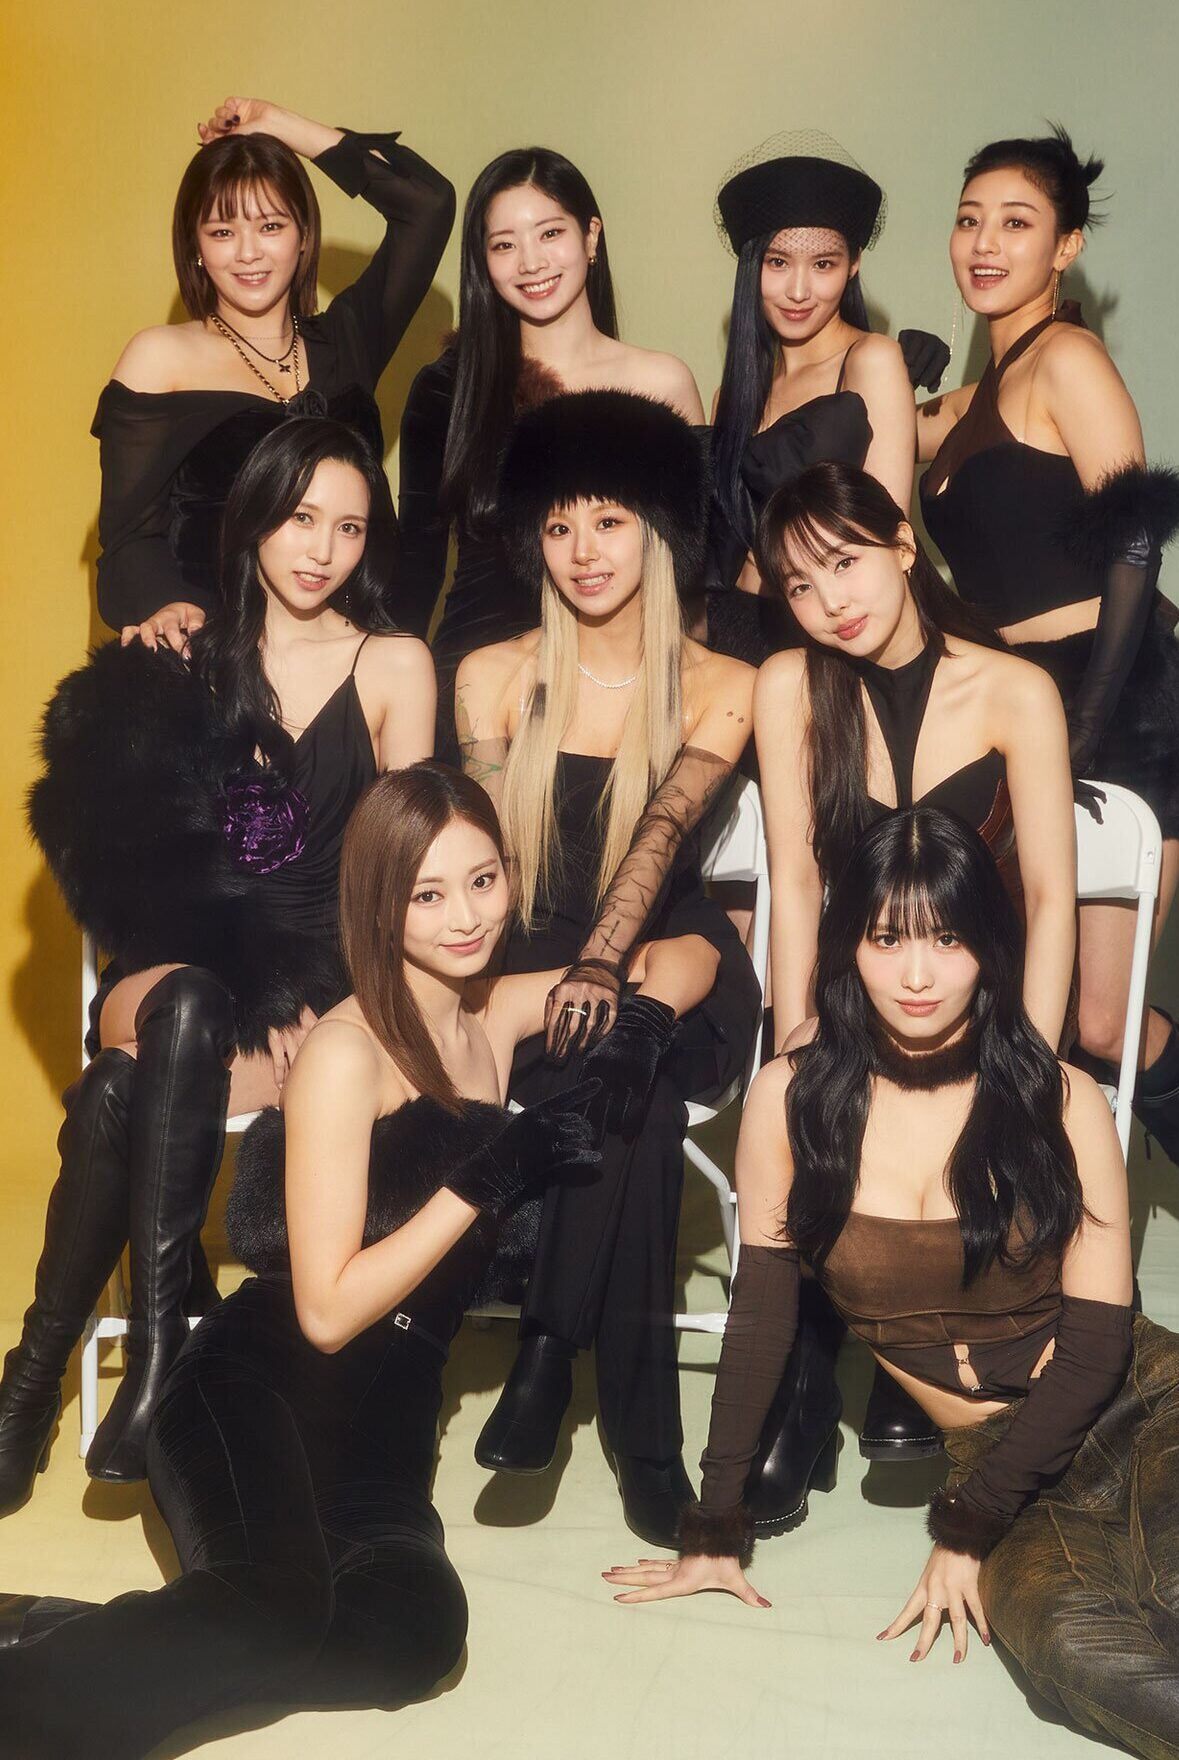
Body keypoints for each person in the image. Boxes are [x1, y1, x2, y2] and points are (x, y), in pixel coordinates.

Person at [604, 808, 1179, 1760]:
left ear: (988, 947)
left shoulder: (1059, 1098)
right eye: (886, 938)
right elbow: (762, 1320)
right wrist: (714, 1522)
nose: (915, 975)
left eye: (947, 940)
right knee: (1075, 1653)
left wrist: (967, 1526)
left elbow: (1100, 1346)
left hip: (1144, 1404)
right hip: (991, 1459)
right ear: (848, 947)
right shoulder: (792, 1099)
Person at [0, 764, 603, 1760]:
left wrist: (629, 981)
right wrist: (485, 1179)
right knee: (271, 1607)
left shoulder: (490, 1014)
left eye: (483, 880)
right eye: (427, 894)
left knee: (418, 1634)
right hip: (258, 1385)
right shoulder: (345, 1052)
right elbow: (324, 1312)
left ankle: (73, 1630)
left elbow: (652, 966)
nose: (466, 917)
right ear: (378, 900)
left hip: (384, 1427)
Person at [3, 418, 434, 1498]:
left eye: (349, 527)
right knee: (189, 1001)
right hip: (175, 966)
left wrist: (332, 1007)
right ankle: (159, 1359)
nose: (321, 549)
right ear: (252, 520)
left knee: (120, 1090)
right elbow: (118, 857)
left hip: (321, 985)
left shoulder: (393, 664)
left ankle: (29, 1380)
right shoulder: (184, 654)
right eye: (299, 518)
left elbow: (404, 876)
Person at [917, 126, 1179, 1305]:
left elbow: (1135, 545)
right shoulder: (961, 403)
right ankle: (1023, 1254)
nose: (984, 241)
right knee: (1007, 995)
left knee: (1095, 1015)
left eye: (1015, 221)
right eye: (968, 218)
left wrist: (1084, 729)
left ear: (1066, 246)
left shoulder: (1067, 360)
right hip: (1006, 708)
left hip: (1117, 699)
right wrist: (882, 374)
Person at [454, 388, 762, 1545]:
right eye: (559, 525)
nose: (584, 550)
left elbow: (661, 838)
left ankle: (546, 1353)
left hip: (670, 948)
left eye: (610, 521)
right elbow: (484, 860)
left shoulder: (719, 682)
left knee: (632, 1029)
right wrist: (544, 983)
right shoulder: (491, 673)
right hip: (540, 964)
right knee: (637, 1093)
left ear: (656, 532)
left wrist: (600, 963)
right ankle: (648, 1448)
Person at [743, 459, 1075, 1507]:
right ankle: (807, 1386)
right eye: (799, 585)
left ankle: (915, 1359)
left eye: (844, 563)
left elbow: (1051, 896)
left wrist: (1033, 1055)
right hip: (856, 997)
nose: (829, 601)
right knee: (815, 1111)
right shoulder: (789, 685)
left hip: (980, 997)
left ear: (900, 544)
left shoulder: (1014, 689)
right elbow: (796, 878)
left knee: (960, 1114)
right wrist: (795, 1027)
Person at [95, 95, 454, 650]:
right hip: (222, 660)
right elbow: (128, 541)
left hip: (359, 656)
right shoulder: (160, 358)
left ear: (303, 234)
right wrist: (166, 605)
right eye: (222, 232)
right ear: (195, 246)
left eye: (270, 225)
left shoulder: (348, 341)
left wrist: (280, 126)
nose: (248, 253)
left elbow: (428, 205)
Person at [399, 146, 704, 755]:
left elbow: (693, 576)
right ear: (482, 261)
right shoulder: (449, 388)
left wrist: (695, 697)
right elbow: (413, 569)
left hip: (627, 696)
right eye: (504, 244)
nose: (530, 262)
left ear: (591, 236)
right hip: (482, 694)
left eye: (550, 233)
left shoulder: (661, 383)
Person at [706, 131, 949, 665]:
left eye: (823, 264)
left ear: (854, 263)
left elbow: (880, 538)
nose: (798, 291)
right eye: (777, 263)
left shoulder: (872, 360)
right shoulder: (732, 396)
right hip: (739, 634)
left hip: (840, 640)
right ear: (750, 265)